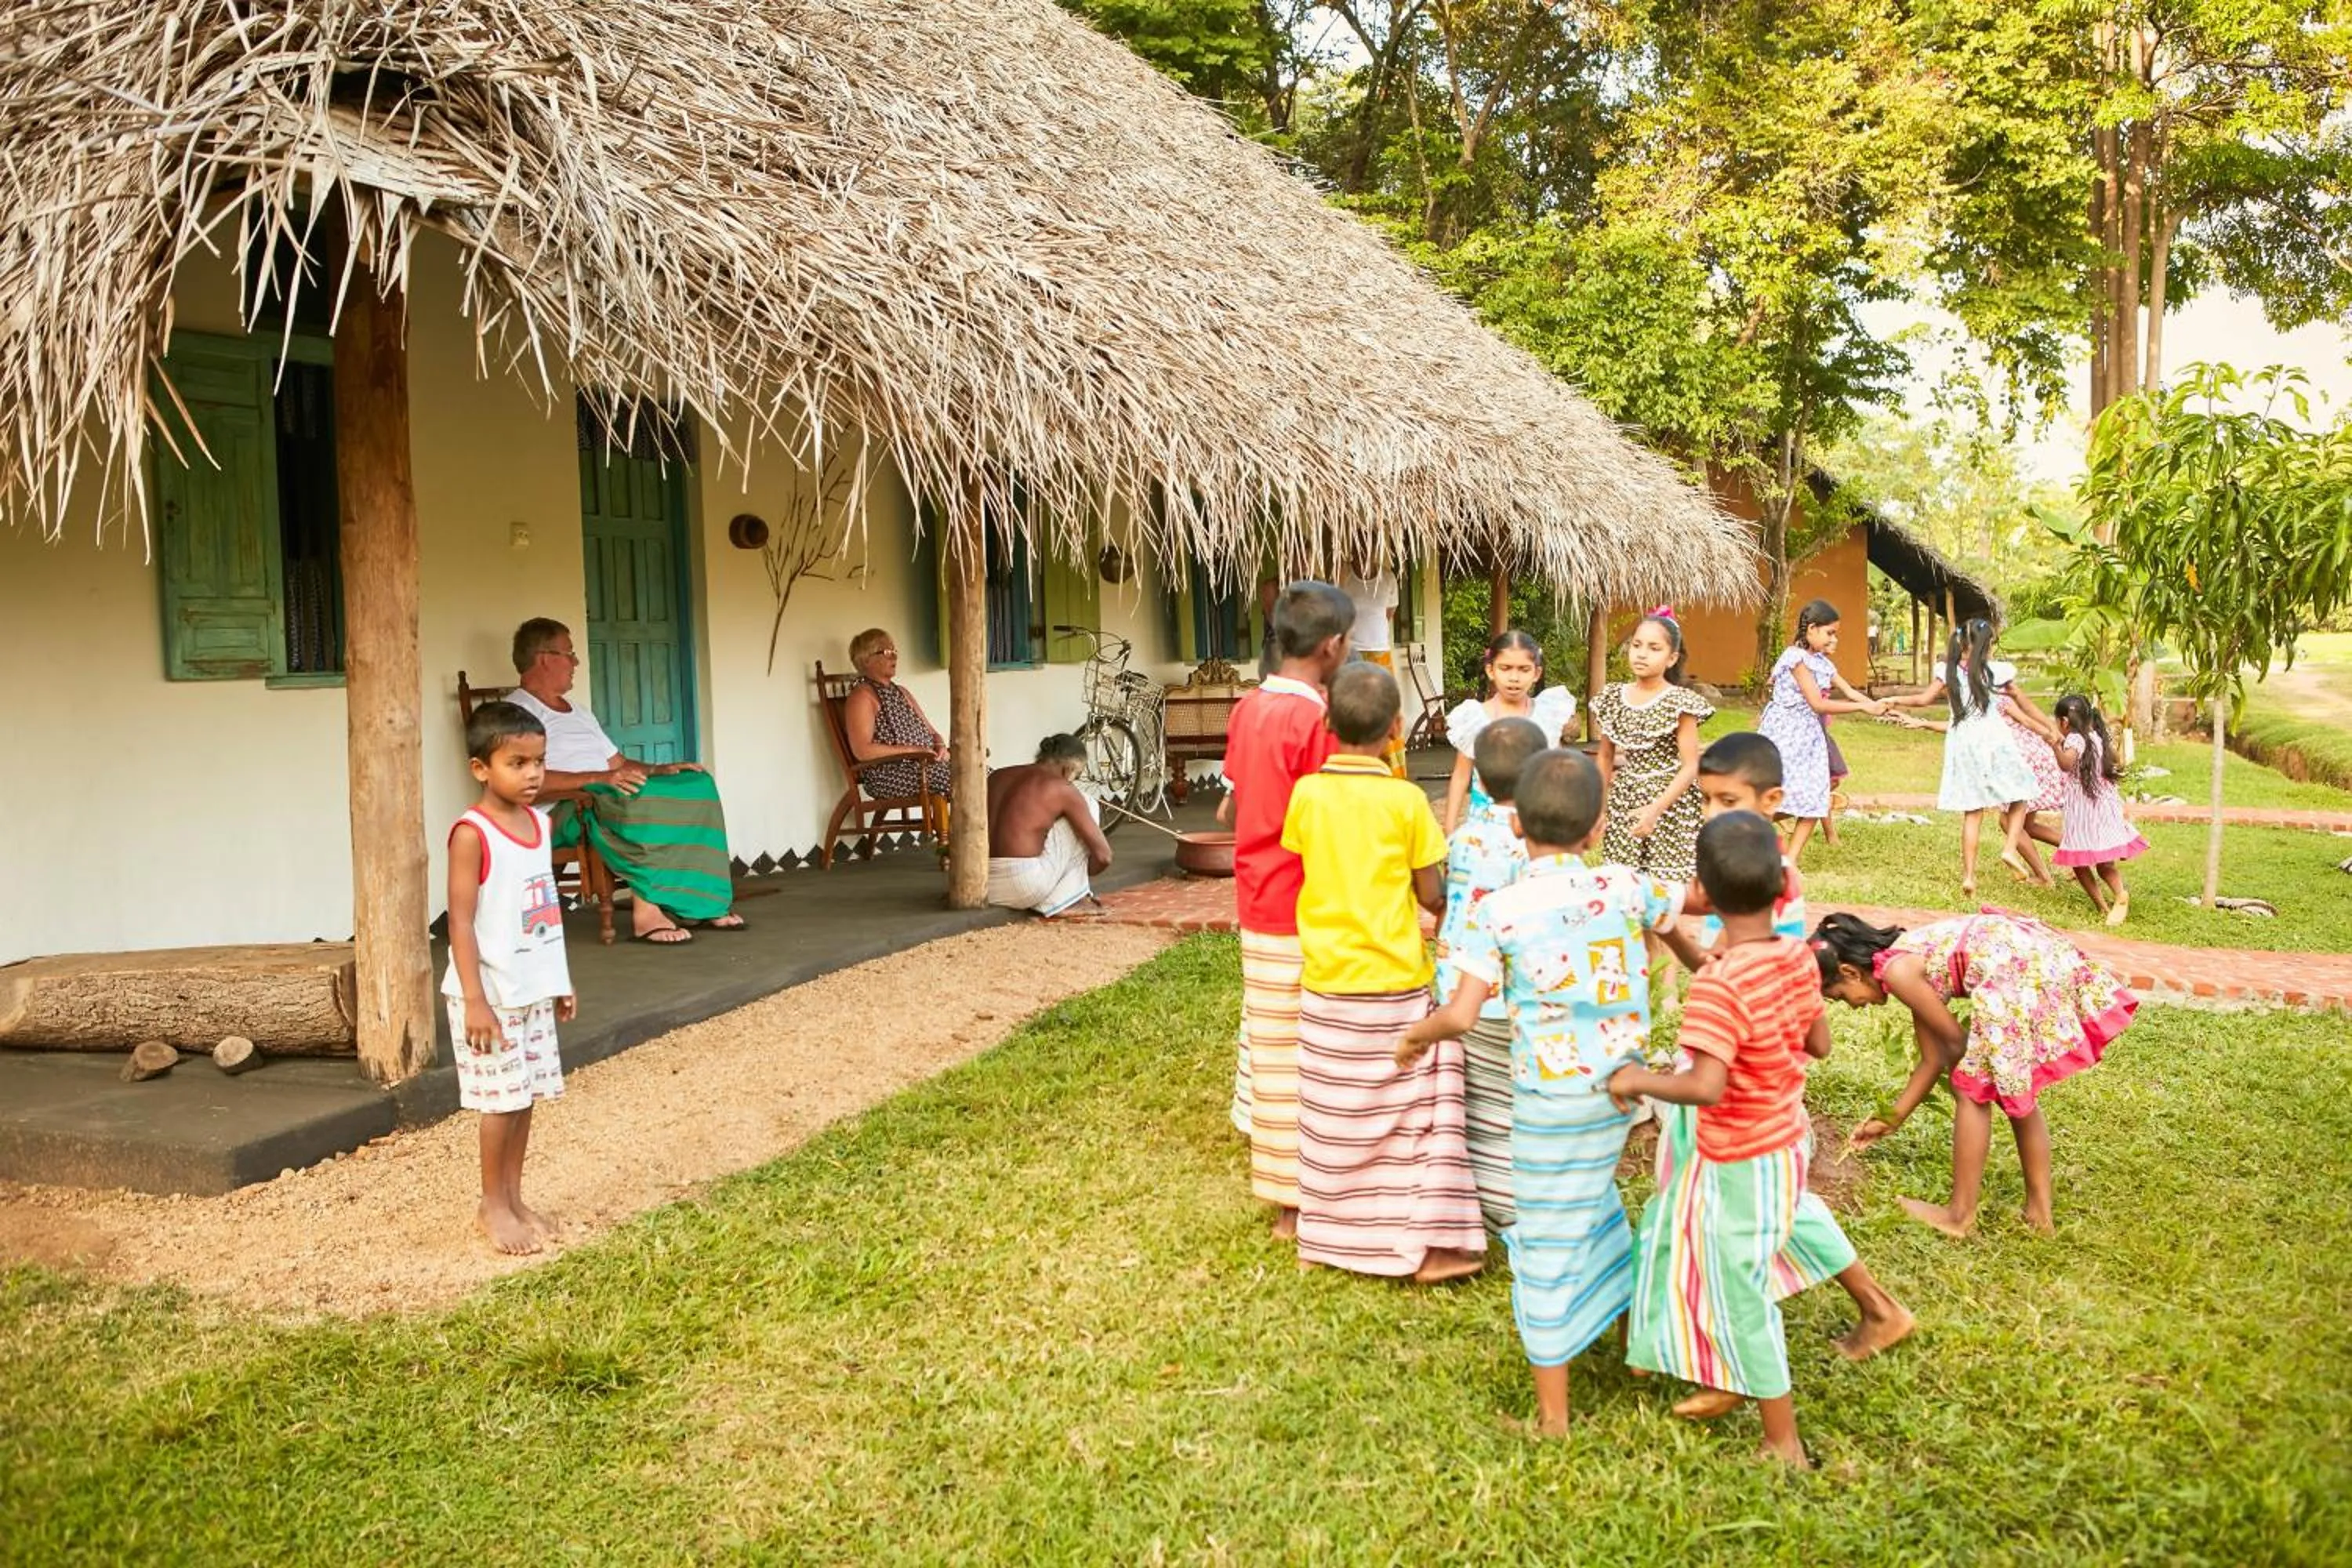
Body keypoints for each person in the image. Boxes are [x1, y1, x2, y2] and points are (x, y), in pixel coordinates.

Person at [1399, 747, 1693, 1435]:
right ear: (1595, 830)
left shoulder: (1496, 910)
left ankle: (1553, 1419)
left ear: (1515, 830)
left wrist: (1416, 1036)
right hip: (1619, 1095)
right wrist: (1710, 971)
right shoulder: (1623, 884)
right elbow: (1685, 931)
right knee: (1597, 1209)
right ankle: (1635, 1350)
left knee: (1544, 1246)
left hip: (1548, 1106)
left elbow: (1464, 1016)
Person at [1613, 813, 1890, 1470]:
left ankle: (1783, 1439)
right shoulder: (1800, 956)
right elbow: (1817, 1043)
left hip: (1738, 1153)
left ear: (1703, 893)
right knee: (1733, 1251)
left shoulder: (1717, 986)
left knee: (1742, 1288)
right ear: (1780, 887)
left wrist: (1636, 1078)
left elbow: (1706, 1086)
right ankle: (1701, 1363)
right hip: (1786, 1139)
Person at [1655, 746, 1917, 1415]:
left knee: (1708, 1219)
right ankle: (1876, 1308)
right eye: (1707, 801)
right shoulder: (1758, 866)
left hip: (1732, 1079)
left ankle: (1717, 1358)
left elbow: (1723, 967)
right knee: (1783, 1207)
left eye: (1727, 803)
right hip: (1770, 1093)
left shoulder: (1761, 877)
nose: (1712, 815)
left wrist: (1665, 926)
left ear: (1772, 805)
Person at [1285, 662, 1482, 1284]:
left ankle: (1330, 1228)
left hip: (1325, 979)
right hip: (1394, 981)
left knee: (1332, 1110)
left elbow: (1305, 858)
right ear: (1397, 728)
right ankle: (1426, 1235)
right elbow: (1431, 892)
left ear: (1325, 724)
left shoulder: (1307, 795)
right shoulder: (1405, 802)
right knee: (1422, 1106)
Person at [1815, 908, 2138, 1236]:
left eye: (1840, 997)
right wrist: (1890, 1120)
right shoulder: (1902, 961)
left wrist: (1968, 1085)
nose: (1853, 1006)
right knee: (2013, 1089)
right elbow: (1932, 1059)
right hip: (2030, 961)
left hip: (2012, 969)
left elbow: (1954, 1043)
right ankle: (2039, 1215)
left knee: (1970, 1090)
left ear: (1850, 972)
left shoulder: (1898, 972)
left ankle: (1958, 1217)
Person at [1224, 581, 1354, 1232]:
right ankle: (1292, 1198)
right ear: (1333, 646)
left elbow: (1237, 793)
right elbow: (1332, 815)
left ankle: (1280, 1157)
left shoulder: (1249, 707)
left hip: (1257, 896)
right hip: (1304, 899)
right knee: (1302, 1047)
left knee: (1272, 1033)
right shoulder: (1315, 722)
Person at [506, 619, 744, 944]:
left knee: (698, 785)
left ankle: (700, 904)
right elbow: (524, 782)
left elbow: (617, 763)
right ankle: (646, 913)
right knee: (635, 800)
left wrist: (660, 770)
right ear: (545, 658)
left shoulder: (578, 712)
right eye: (570, 653)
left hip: (606, 792)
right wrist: (601, 779)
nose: (576, 662)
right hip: (563, 809)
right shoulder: (517, 712)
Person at [442, 701, 576, 1257]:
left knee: (523, 1100)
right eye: (516, 763)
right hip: (491, 996)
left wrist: (560, 979)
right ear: (481, 769)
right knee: (498, 1104)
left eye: (538, 762)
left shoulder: (541, 824)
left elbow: (541, 909)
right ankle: (491, 1205)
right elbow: (461, 919)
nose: (532, 774)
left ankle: (514, 1198)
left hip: (532, 988)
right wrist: (475, 999)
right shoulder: (472, 834)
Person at [1432, 717, 1548, 1232]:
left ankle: (1474, 1192)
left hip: (1458, 988)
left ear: (1478, 777)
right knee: (1515, 1102)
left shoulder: (1461, 838)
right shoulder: (1536, 843)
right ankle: (1510, 1205)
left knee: (1474, 1097)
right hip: (1511, 996)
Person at [1887, 619, 2044, 897]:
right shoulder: (1996, 671)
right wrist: (2048, 729)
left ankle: (1970, 877)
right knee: (2021, 794)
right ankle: (2009, 848)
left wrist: (1894, 701)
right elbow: (2021, 701)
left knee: (1973, 812)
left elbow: (1923, 700)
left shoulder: (1946, 671)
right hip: (1994, 737)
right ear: (1986, 646)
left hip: (1962, 741)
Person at [1755, 601, 1884, 866]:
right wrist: (1862, 707)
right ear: (1811, 629)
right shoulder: (1795, 658)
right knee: (1777, 794)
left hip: (1810, 736)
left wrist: (1875, 706)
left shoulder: (1823, 663)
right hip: (1786, 734)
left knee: (1815, 797)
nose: (1833, 639)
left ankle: (1788, 863)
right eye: (1830, 633)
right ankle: (1747, 832)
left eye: (1835, 633)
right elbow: (1818, 703)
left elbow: (1849, 691)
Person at [1592, 609, 1713, 882]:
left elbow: (1691, 765)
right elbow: (1604, 758)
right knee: (1624, 883)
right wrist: (1599, 809)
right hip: (1626, 798)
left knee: (1666, 891)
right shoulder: (1613, 697)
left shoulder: (1679, 702)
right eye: (1636, 645)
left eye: (1654, 648)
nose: (1642, 654)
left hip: (1671, 803)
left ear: (1672, 658)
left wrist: (1656, 809)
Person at [1442, 630, 1577, 833]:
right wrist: (1449, 827)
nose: (1514, 678)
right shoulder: (1475, 718)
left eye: (1524, 669)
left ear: (1536, 673)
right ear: (1491, 670)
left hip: (1534, 822)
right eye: (1505, 668)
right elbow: (1462, 775)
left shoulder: (1546, 715)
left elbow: (1555, 770)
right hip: (1484, 824)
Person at [984, 735, 1113, 918]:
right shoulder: (1062, 788)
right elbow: (1104, 857)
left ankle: (1065, 894)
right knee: (1088, 803)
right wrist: (1081, 870)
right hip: (1024, 888)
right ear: (1069, 769)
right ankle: (1069, 898)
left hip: (982, 884)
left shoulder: (996, 776)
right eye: (1078, 775)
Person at [2045, 695, 2145, 924]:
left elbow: (2066, 764)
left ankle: (2104, 904)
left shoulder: (2075, 740)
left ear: (2064, 721)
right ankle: (2117, 896)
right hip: (2104, 805)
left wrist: (2054, 745)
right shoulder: (2096, 736)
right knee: (2104, 862)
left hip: (2084, 810)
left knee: (2078, 860)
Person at [842, 628, 953, 805]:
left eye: (894, 651)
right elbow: (862, 751)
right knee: (966, 778)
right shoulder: (862, 696)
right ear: (866, 659)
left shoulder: (902, 692)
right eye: (886, 652)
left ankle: (988, 830)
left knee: (984, 775)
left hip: (924, 767)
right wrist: (914, 751)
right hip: (890, 775)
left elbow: (932, 732)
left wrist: (940, 746)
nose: (894, 657)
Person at [1335, 554, 1406, 778]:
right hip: (1352, 652)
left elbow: (1387, 615)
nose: (1364, 549)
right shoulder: (1344, 576)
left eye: (1369, 542)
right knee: (1353, 706)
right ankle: (1357, 765)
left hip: (1380, 652)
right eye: (1360, 543)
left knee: (1386, 707)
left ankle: (1391, 770)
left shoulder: (1387, 578)